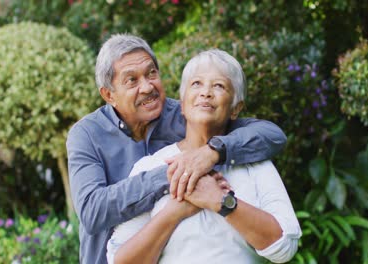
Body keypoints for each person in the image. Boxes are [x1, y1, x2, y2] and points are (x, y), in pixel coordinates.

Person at [66, 34, 287, 264]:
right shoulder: (86, 134)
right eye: (132, 80)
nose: (147, 87)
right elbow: (93, 211)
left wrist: (211, 152)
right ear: (109, 94)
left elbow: (271, 135)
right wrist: (178, 173)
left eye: (151, 73)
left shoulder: (187, 114)